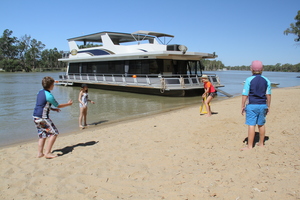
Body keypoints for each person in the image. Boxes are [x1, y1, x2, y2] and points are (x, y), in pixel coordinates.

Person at [33, 76, 73, 159]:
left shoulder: (40, 92)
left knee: (42, 134)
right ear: (51, 85)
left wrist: (52, 109)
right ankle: (48, 153)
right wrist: (68, 104)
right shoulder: (49, 95)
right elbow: (58, 105)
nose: (54, 86)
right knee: (54, 133)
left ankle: (40, 153)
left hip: (35, 117)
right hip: (43, 118)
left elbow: (42, 104)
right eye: (53, 84)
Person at [241, 60, 271, 151]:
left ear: (251, 69)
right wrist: (268, 106)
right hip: (262, 105)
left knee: (251, 125)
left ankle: (250, 146)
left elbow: (245, 94)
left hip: (252, 105)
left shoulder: (249, 80)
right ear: (262, 69)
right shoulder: (266, 80)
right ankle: (261, 143)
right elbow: (268, 95)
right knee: (261, 124)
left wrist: (242, 105)